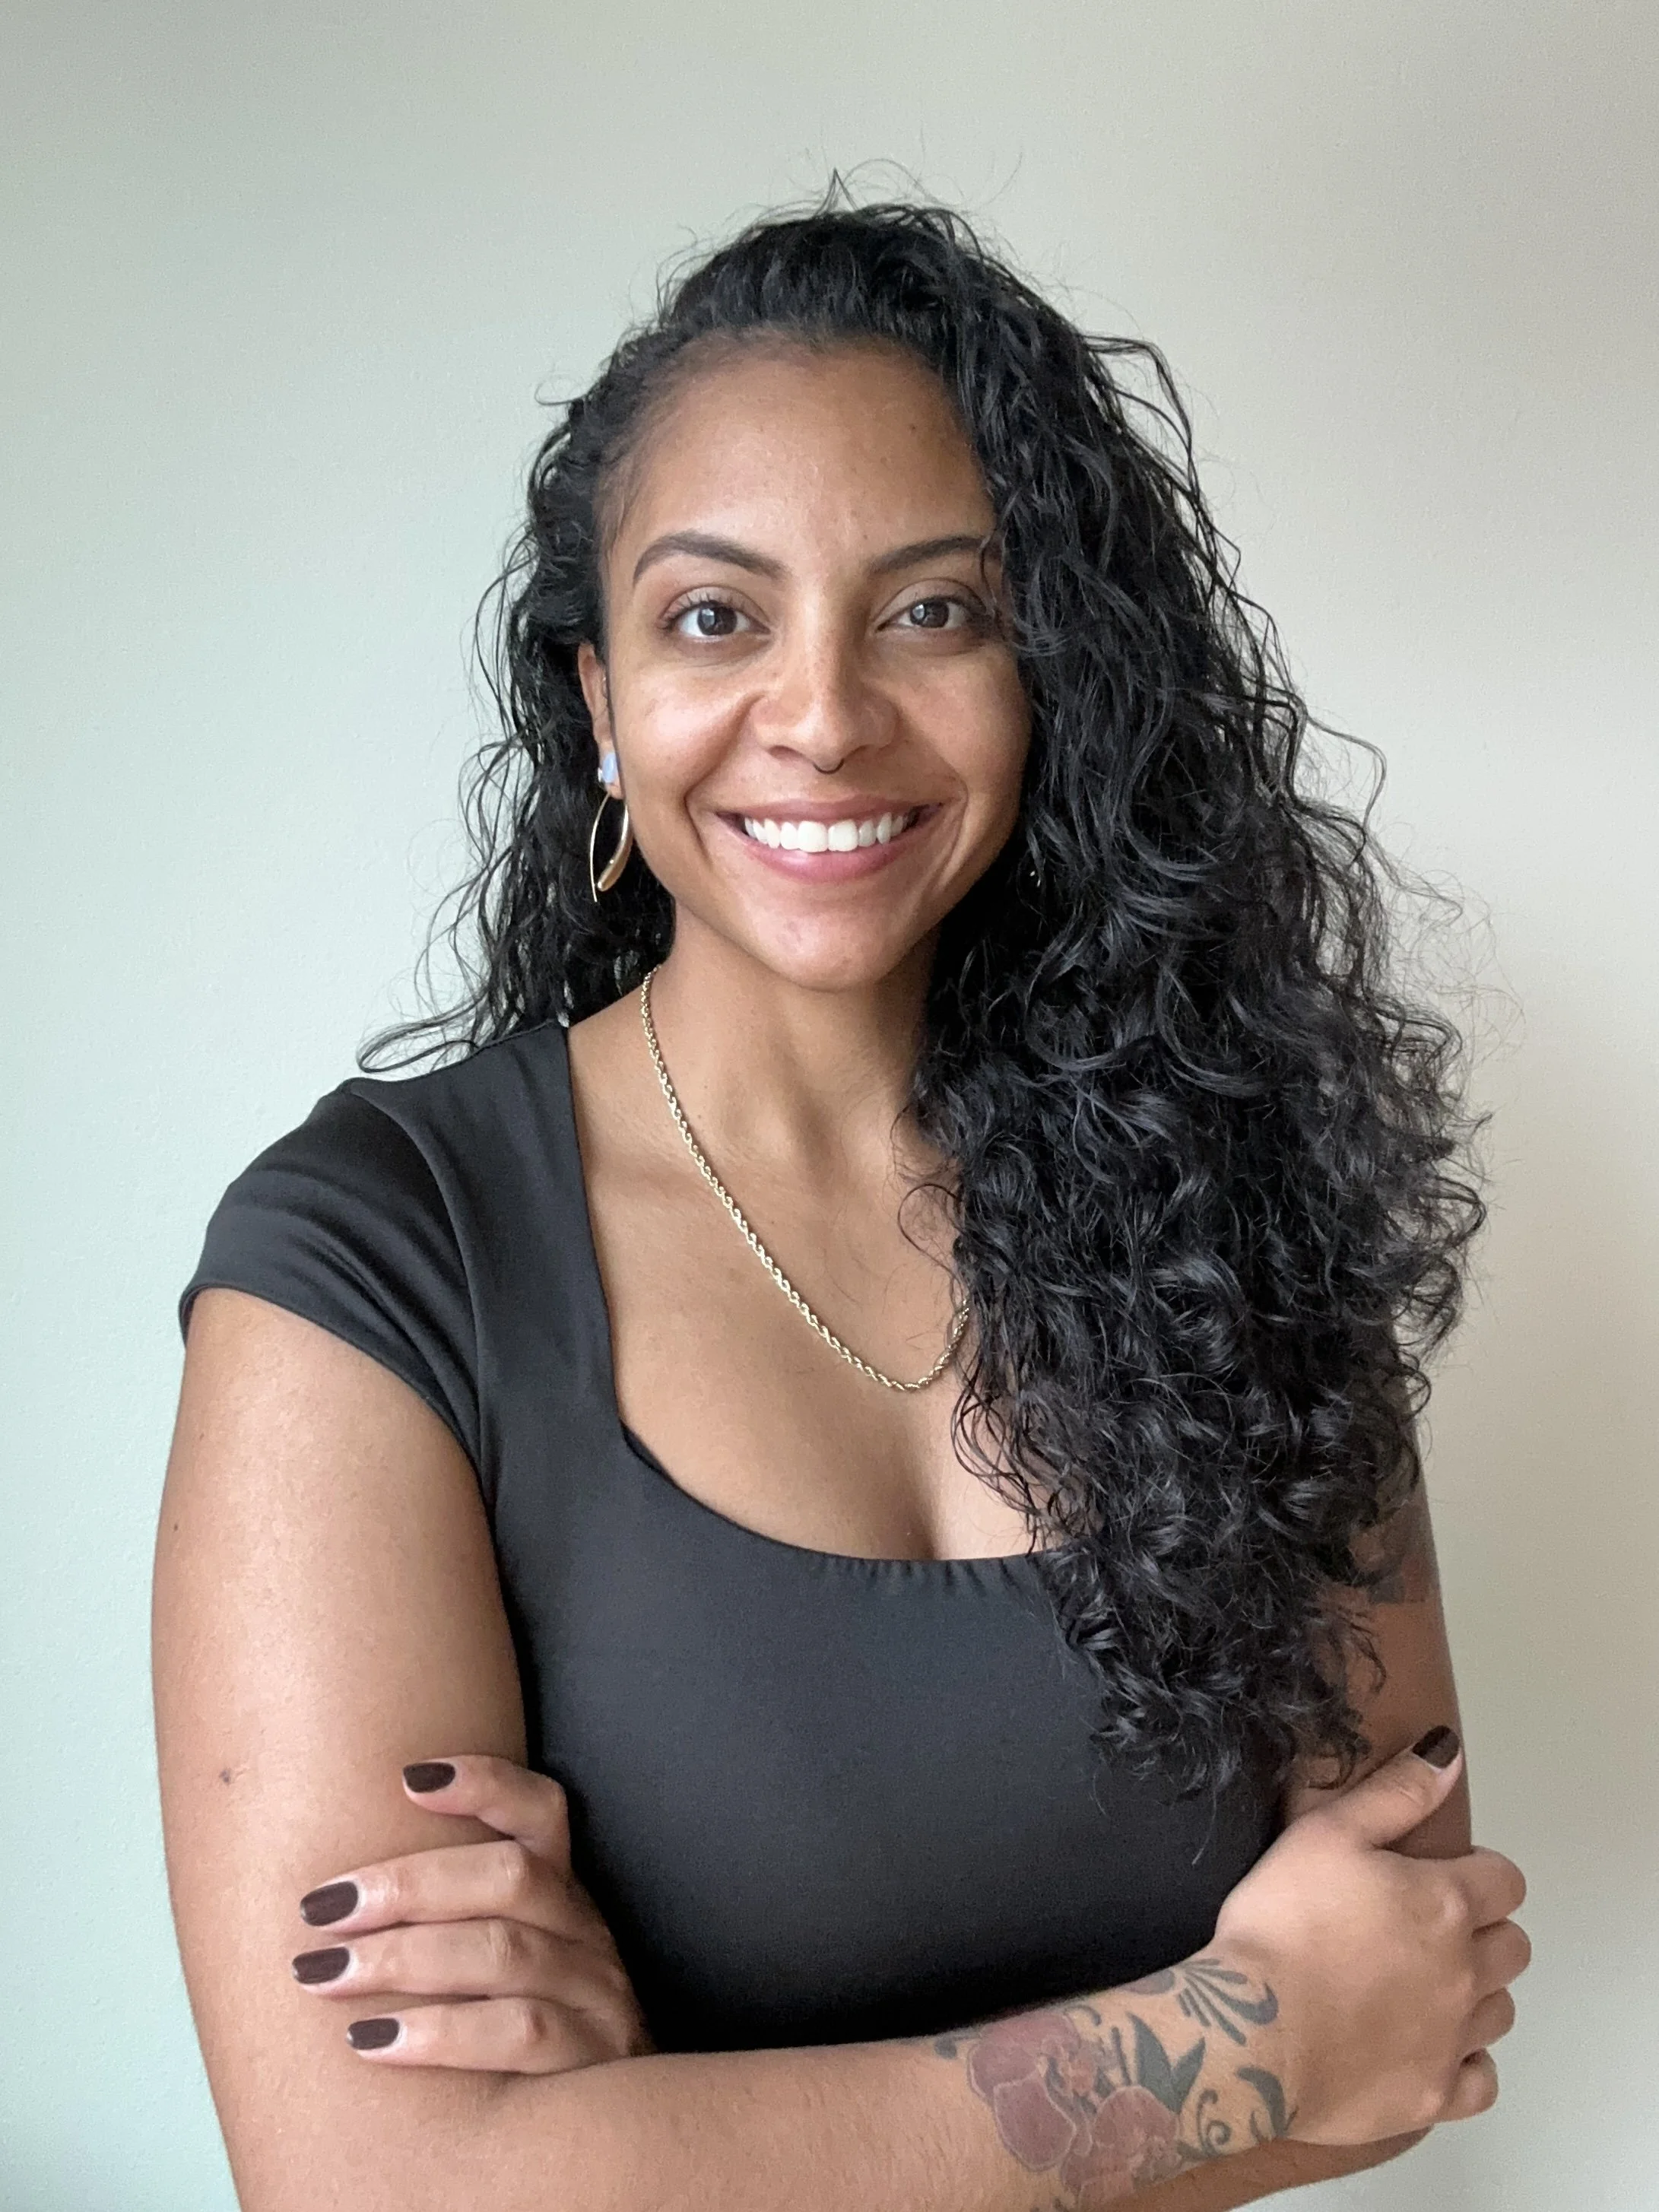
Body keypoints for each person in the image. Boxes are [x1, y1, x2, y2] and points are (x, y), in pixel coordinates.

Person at [154, 200, 1528, 2212]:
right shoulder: (378, 1257)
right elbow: (363, 2181)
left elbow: (1404, 2025)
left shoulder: (1231, 1192)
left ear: (1052, 676)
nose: (820, 713)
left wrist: (655, 2145)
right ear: (598, 697)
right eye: (716, 616)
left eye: (933, 611)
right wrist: (1233, 2037)